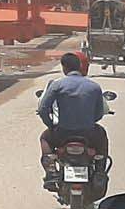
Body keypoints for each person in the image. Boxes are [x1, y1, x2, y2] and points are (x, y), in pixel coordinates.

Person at [37, 51, 110, 184]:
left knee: (45, 138)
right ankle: (100, 169)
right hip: (89, 133)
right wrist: (88, 122)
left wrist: (51, 126)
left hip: (63, 133)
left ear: (64, 68)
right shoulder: (94, 87)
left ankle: (51, 170)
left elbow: (43, 109)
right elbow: (99, 113)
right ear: (79, 67)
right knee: (102, 136)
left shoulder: (57, 85)